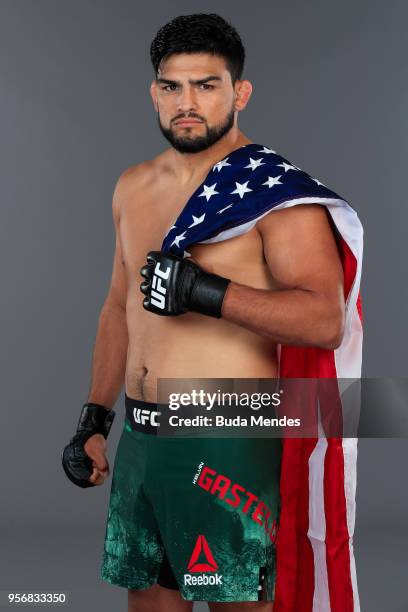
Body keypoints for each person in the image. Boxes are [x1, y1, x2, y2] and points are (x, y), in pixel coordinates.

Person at [62, 13, 363, 612]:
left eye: (207, 85)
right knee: (148, 601)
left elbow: (325, 320)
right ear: (155, 91)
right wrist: (94, 418)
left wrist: (209, 293)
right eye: (173, 87)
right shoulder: (133, 185)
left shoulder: (276, 196)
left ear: (239, 92)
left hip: (226, 438)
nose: (187, 104)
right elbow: (118, 307)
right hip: (143, 443)